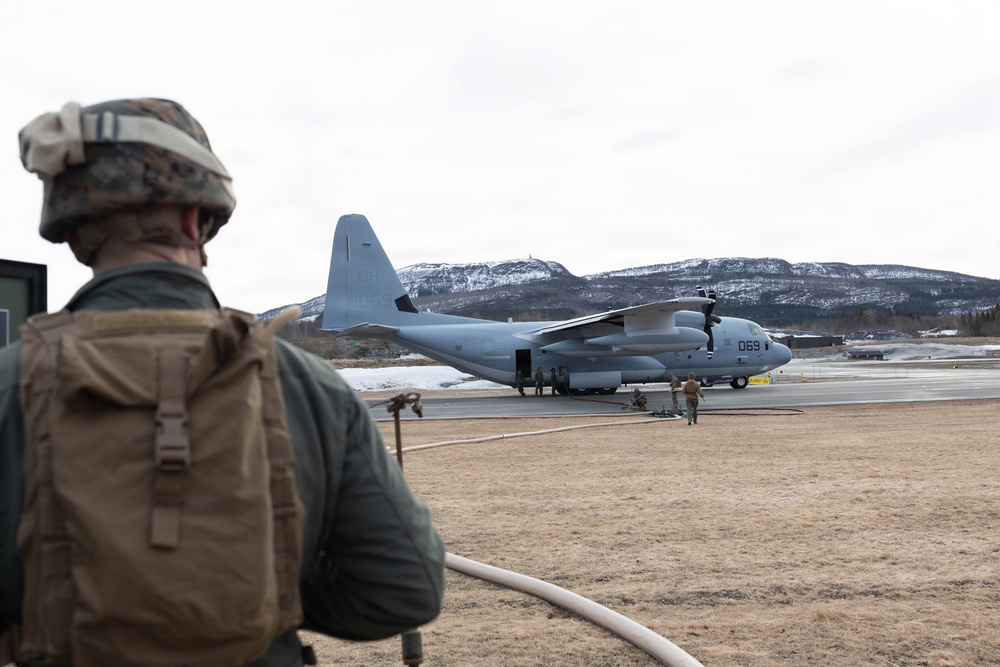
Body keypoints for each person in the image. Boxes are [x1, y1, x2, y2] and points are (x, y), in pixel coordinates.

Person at [0, 99, 445, 666]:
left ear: (73, 236)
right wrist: (261, 593)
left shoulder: (9, 383)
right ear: (196, 220)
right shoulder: (308, 386)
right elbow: (403, 590)